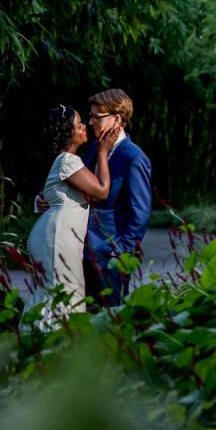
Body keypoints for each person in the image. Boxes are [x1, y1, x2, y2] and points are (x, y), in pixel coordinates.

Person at [25, 104, 118, 321]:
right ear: (68, 132)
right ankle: (52, 345)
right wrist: (103, 152)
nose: (84, 126)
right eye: (79, 124)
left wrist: (40, 200)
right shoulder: (67, 160)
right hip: (58, 238)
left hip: (59, 236)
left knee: (57, 294)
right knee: (62, 294)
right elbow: (101, 191)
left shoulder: (67, 161)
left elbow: (56, 193)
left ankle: (42, 342)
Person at [77, 88, 153, 307]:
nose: (90, 122)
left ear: (117, 119)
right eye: (90, 116)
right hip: (82, 251)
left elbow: (140, 214)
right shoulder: (94, 148)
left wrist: (120, 252)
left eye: (96, 117)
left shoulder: (134, 158)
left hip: (110, 256)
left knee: (111, 321)